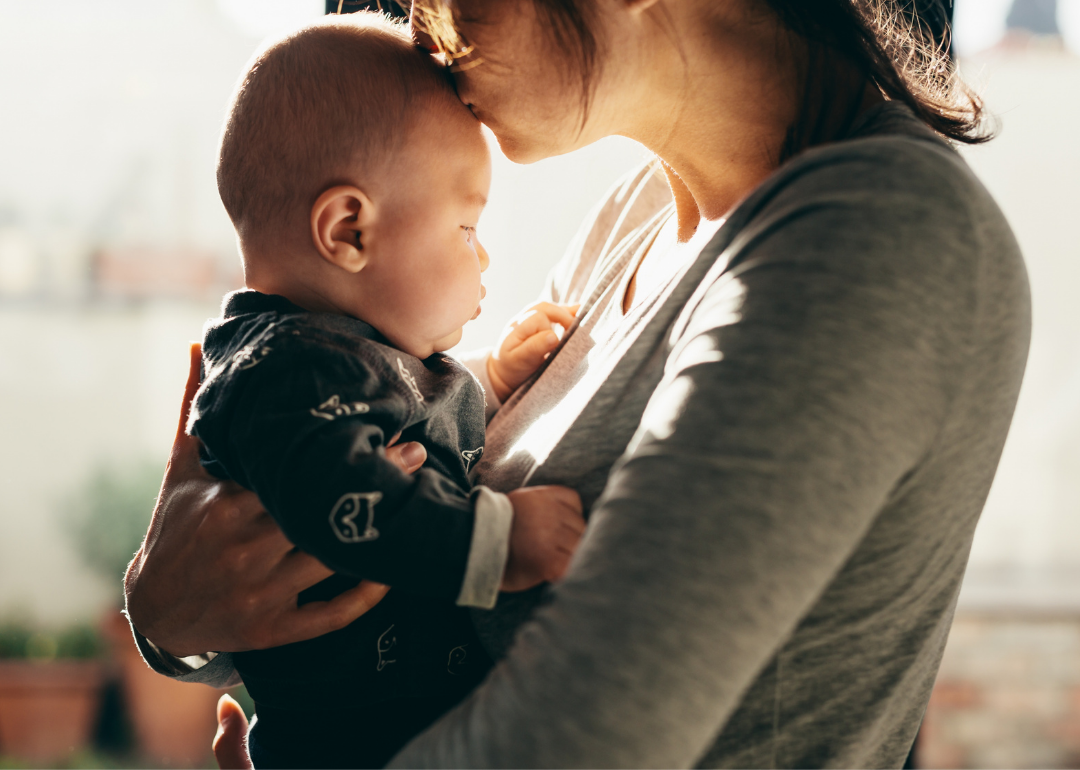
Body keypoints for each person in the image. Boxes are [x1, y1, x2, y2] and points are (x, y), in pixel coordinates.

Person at [124, 0, 1032, 766]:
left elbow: (575, 740)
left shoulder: (871, 239)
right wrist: (173, 615)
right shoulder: (640, 212)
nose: (427, 29)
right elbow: (399, 493)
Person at [184, 14, 586, 768]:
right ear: (349, 231)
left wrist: (493, 379)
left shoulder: (339, 358)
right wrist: (495, 545)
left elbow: (405, 423)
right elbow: (350, 500)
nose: (485, 254)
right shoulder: (287, 373)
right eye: (465, 227)